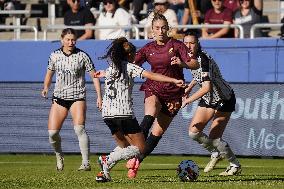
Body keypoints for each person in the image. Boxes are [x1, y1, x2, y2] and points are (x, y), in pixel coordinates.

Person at [93, 37, 185, 182]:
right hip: (123, 112)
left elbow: (111, 75)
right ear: (129, 55)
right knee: (140, 148)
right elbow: (151, 75)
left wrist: (103, 73)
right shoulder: (129, 66)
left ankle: (104, 172)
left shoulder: (111, 68)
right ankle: (107, 159)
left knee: (125, 147)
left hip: (107, 114)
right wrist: (173, 80)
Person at [126, 13, 199, 178]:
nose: (160, 31)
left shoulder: (177, 45)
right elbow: (130, 64)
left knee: (157, 133)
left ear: (168, 29)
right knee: (150, 114)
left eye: (163, 28)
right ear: (152, 30)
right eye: (157, 28)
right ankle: (132, 151)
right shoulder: (148, 49)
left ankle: (137, 161)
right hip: (154, 88)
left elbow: (194, 63)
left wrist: (182, 63)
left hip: (174, 95)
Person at [179, 31, 242, 176]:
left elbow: (207, 86)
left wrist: (188, 100)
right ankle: (215, 153)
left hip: (224, 98)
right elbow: (199, 77)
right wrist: (190, 86)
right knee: (193, 133)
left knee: (214, 138)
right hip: (209, 99)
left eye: (192, 43)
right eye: (186, 43)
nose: (188, 46)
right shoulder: (190, 58)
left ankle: (235, 165)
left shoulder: (203, 59)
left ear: (198, 44)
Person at [41, 28, 102, 171]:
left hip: (78, 97)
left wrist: (99, 96)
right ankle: (59, 156)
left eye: (73, 39)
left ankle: (86, 163)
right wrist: (45, 88)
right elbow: (49, 75)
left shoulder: (82, 56)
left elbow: (95, 76)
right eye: (68, 39)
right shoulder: (54, 56)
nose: (71, 42)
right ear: (62, 40)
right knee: (52, 133)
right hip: (59, 98)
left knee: (79, 129)